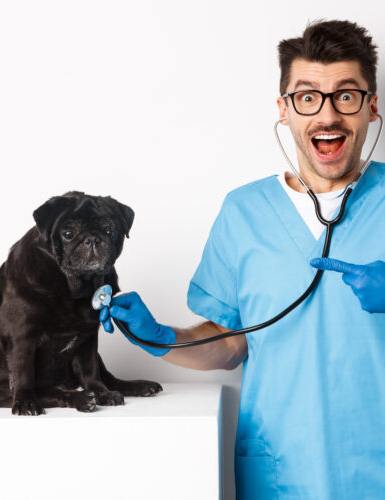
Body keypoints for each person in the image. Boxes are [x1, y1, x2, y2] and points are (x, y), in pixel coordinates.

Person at [100, 19, 385, 499]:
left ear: (371, 107)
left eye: (347, 95)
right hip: (283, 475)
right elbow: (232, 343)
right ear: (285, 110)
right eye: (308, 96)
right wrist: (162, 339)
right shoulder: (244, 212)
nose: (328, 115)